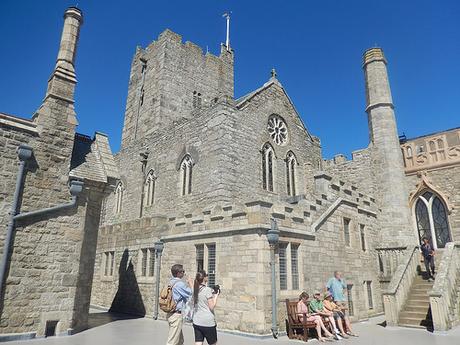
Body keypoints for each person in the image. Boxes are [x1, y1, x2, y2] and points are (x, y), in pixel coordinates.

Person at [167, 264, 193, 345]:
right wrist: (190, 283)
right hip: (176, 315)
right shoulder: (179, 284)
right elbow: (191, 293)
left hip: (171, 314)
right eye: (183, 271)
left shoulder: (171, 282)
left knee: (179, 341)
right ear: (178, 273)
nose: (184, 273)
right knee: (172, 341)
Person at [192, 270, 219, 345]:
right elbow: (211, 307)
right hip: (207, 322)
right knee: (213, 343)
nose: (208, 276)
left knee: (198, 342)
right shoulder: (207, 290)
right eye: (206, 275)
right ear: (204, 278)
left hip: (197, 320)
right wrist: (216, 296)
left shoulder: (195, 289)